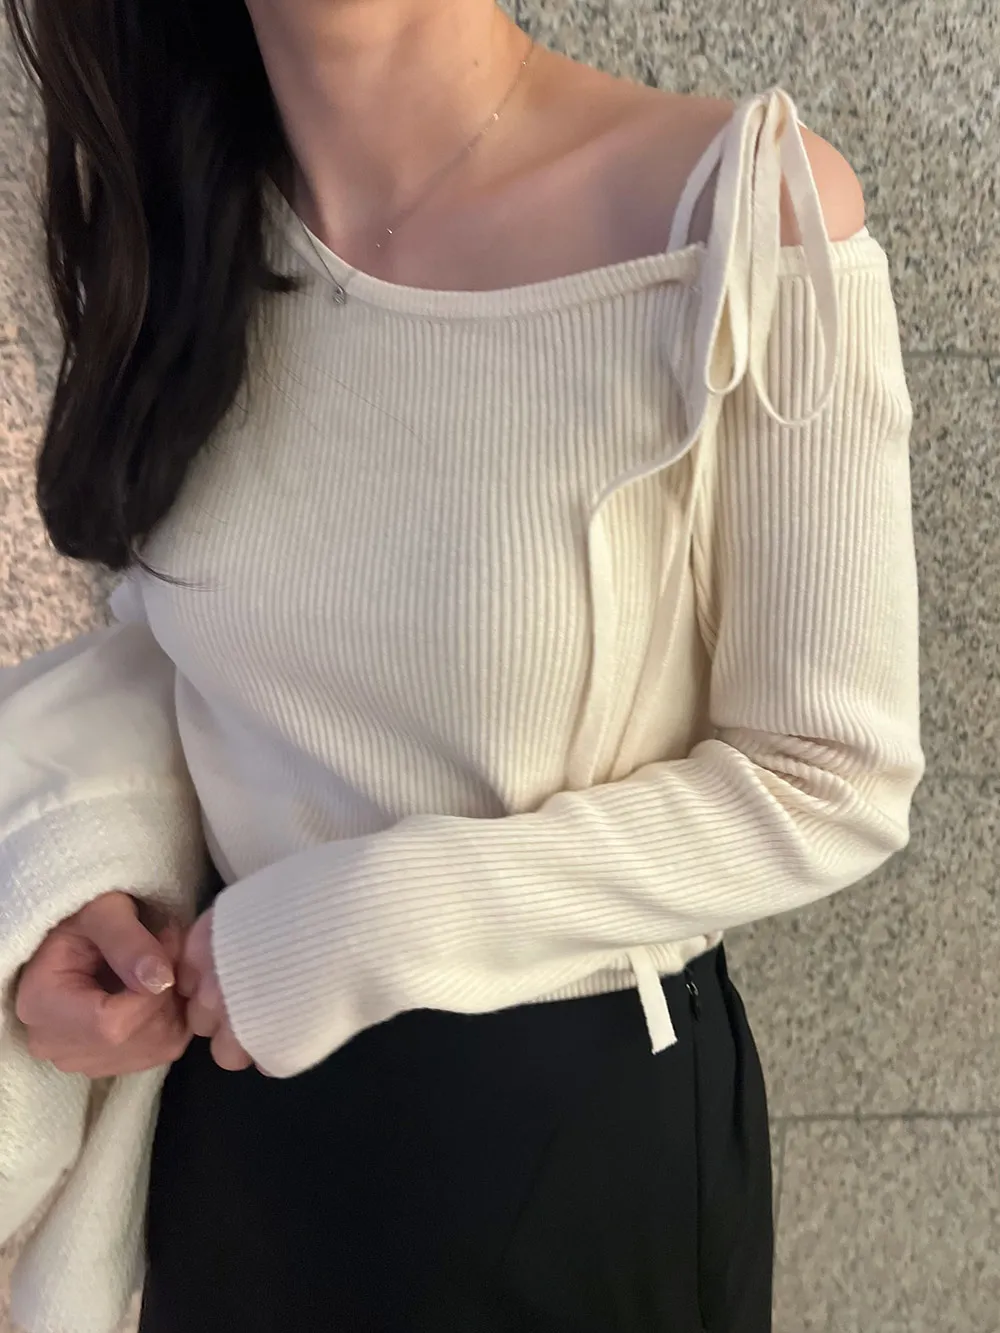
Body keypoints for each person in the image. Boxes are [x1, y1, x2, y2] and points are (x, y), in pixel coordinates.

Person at [2, 0, 925, 1329]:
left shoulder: (737, 215)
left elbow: (832, 777)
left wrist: (372, 919)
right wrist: (76, 898)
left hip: (562, 1140)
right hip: (234, 1111)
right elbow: (181, 654)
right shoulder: (171, 227)